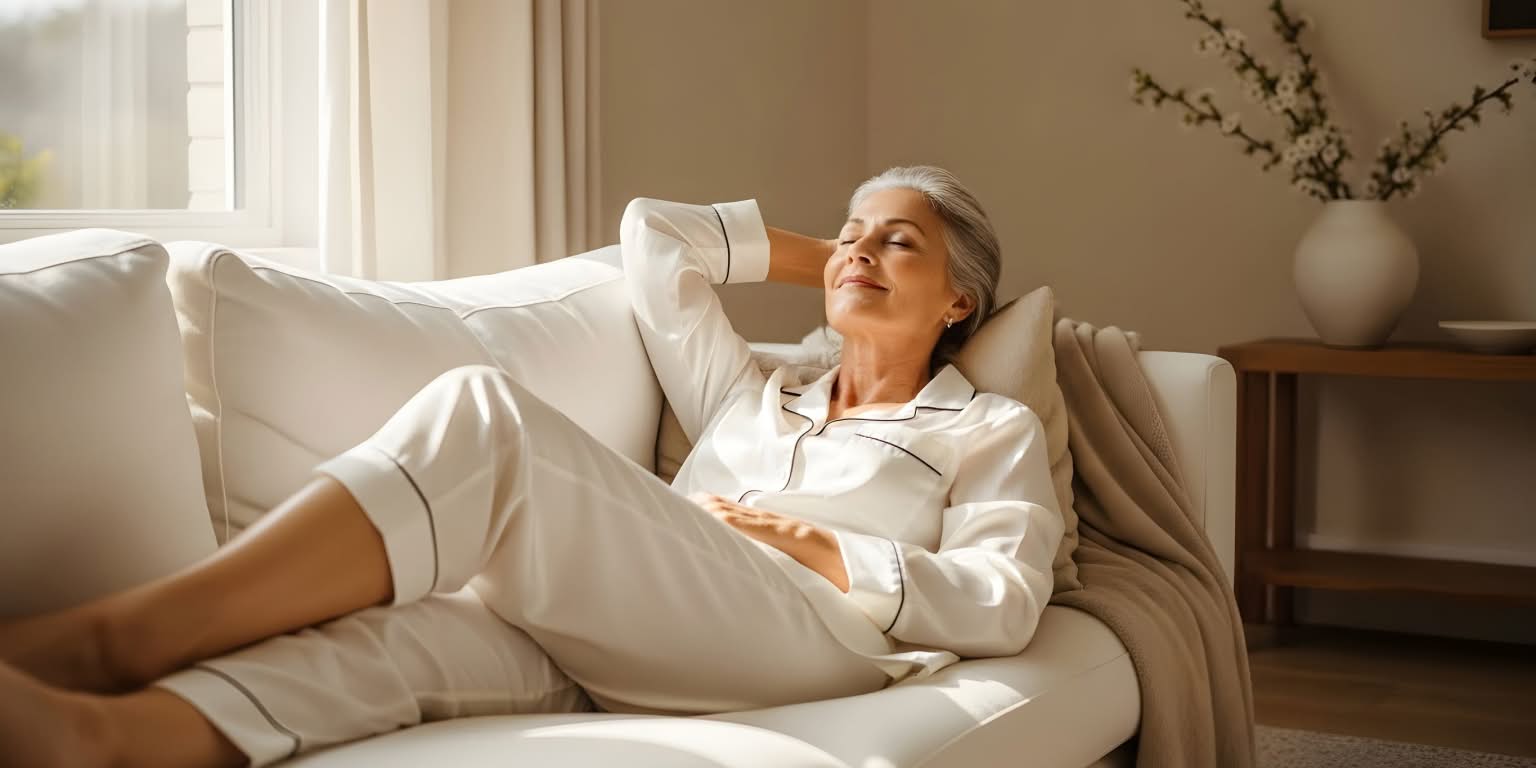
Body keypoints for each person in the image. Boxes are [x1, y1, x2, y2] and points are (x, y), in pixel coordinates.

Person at [0, 165, 1062, 768]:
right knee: (400, 645)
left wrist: (826, 549)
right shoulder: (751, 394)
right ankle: (106, 737)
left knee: (486, 418)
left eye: (899, 246)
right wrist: (825, 255)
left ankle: (119, 633)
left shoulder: (986, 427)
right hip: (660, 627)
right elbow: (658, 238)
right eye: (850, 236)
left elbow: (1005, 601)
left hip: (811, 638)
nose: (860, 254)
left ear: (960, 300)